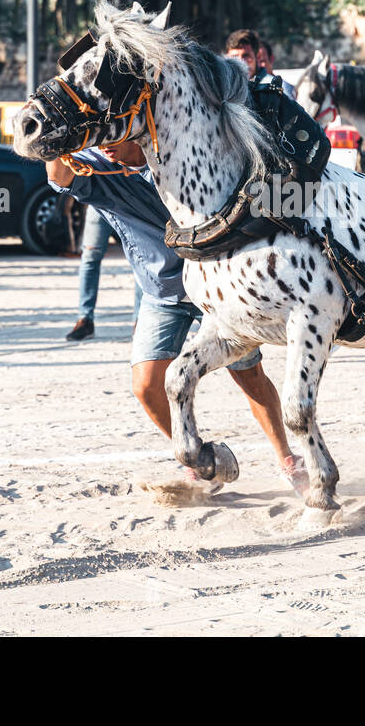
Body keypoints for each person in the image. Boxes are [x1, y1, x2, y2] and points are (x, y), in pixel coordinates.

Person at [47, 140, 308, 494]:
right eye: (98, 137)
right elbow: (58, 174)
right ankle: (198, 459)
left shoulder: (177, 149)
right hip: (163, 292)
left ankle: (287, 460)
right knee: (145, 386)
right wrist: (51, 137)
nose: (104, 144)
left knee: (250, 377)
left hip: (217, 285)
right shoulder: (96, 167)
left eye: (112, 135)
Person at [66, 206, 141, 340]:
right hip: (99, 199)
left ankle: (140, 322)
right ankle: (85, 320)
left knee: (141, 258)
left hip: (132, 197)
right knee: (89, 256)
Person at [225, 29, 295, 99]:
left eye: (246, 56)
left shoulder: (277, 88)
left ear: (257, 57)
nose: (240, 61)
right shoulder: (222, 88)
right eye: (234, 57)